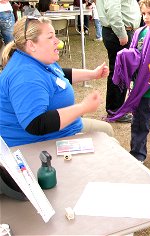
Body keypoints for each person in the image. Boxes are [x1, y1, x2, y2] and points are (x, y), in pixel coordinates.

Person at [0, 17, 114, 147]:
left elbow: (59, 76)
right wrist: (82, 107)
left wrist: (92, 74)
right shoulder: (25, 76)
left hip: (63, 129)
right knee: (109, 143)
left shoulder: (37, 59)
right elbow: (36, 124)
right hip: (35, 144)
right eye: (50, 37)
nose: (57, 41)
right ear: (31, 45)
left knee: (107, 130)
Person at [108, 0, 150, 163]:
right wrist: (127, 57)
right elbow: (136, 54)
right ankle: (138, 153)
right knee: (140, 121)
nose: (146, 17)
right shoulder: (139, 32)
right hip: (142, 87)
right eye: (144, 14)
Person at [97, 0, 141, 123]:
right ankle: (115, 110)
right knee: (120, 72)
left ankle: (116, 109)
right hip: (118, 33)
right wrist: (122, 34)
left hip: (120, 31)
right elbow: (113, 10)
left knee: (121, 70)